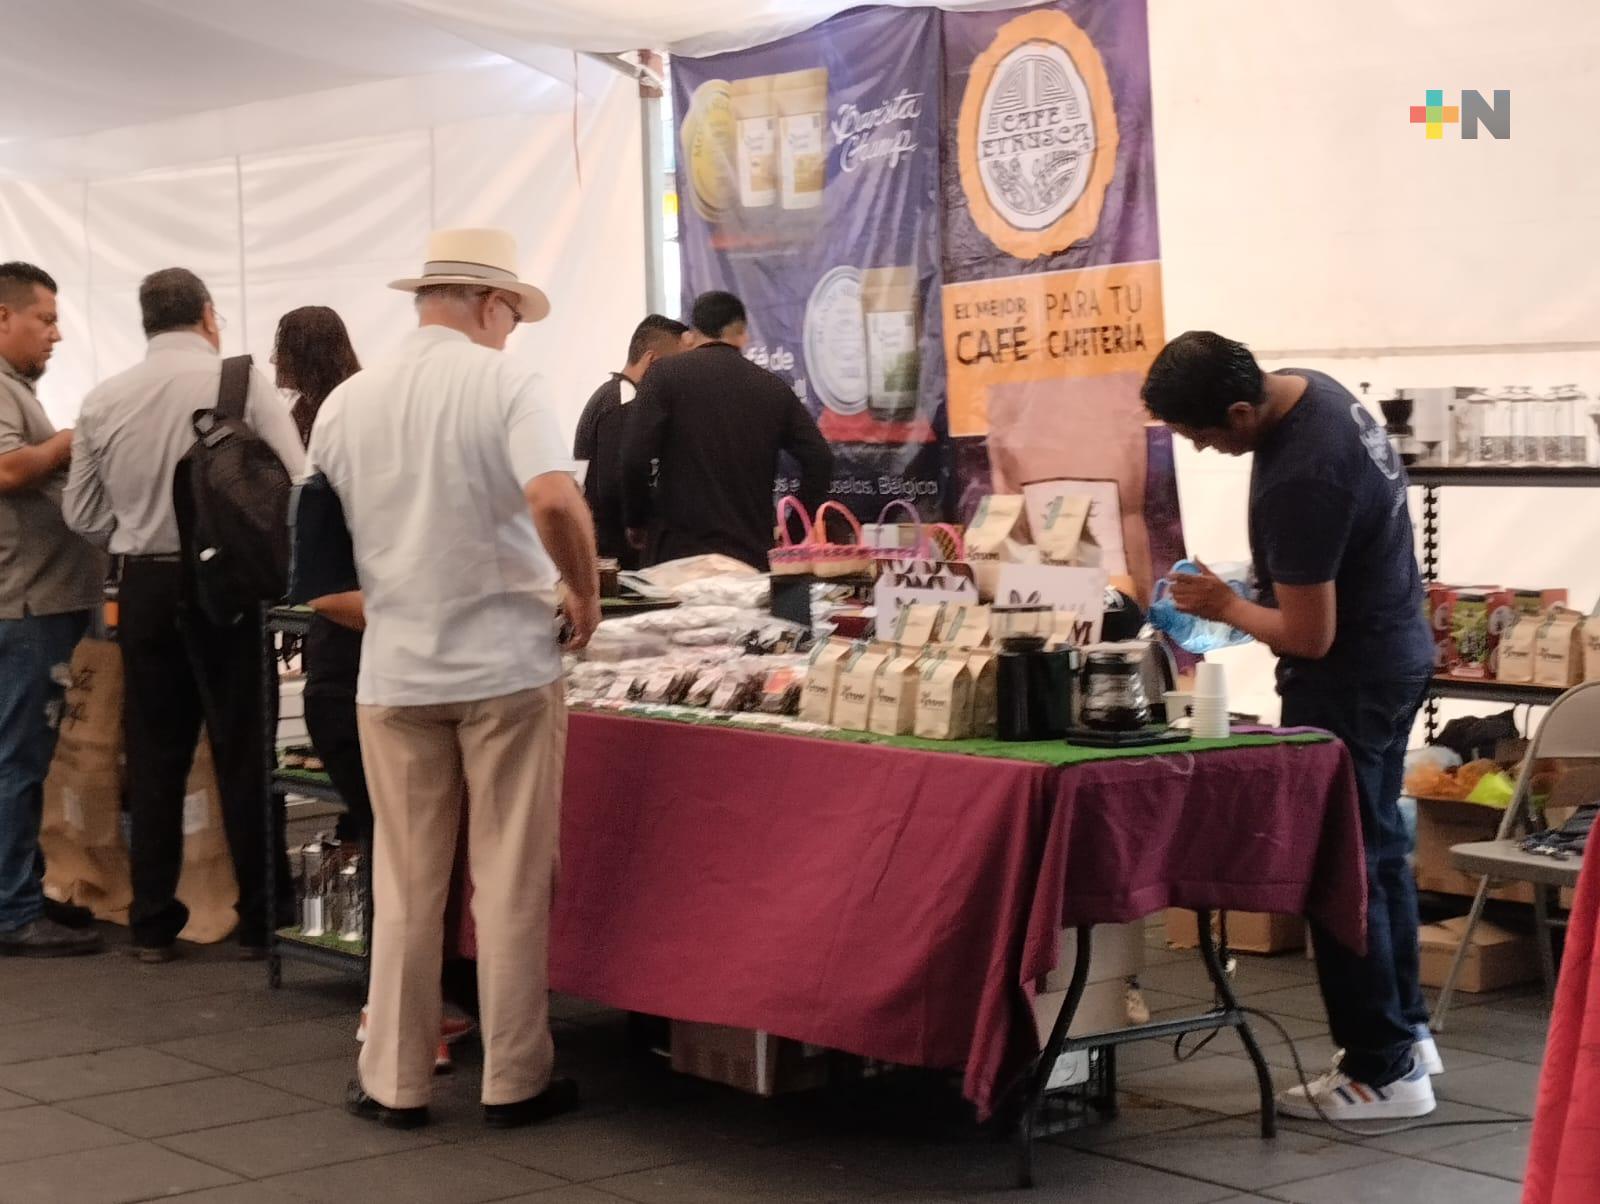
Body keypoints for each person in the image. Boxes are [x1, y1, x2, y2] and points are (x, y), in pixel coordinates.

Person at [307, 227, 598, 1130]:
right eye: (512, 313)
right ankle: (515, 1078)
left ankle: (394, 1078)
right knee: (509, 879)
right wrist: (582, 595)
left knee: (405, 882)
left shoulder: (345, 404)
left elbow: (321, 561)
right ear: (491, 302)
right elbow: (553, 497)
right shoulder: (505, 381)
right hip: (507, 660)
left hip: (394, 669)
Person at [1142, 330, 1438, 1121]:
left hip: (1350, 681)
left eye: (1203, 436)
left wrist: (1225, 607)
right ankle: (1405, 1033)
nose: (1203, 452)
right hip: (1392, 655)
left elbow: (1310, 635)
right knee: (1378, 855)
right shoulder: (1312, 387)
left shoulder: (1299, 480)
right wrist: (1252, 585)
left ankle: (1382, 1069)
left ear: (1241, 409)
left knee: (1343, 869)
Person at [63, 268, 305, 962]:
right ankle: (264, 917)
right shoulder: (240, 382)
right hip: (226, 589)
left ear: (144, 322)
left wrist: (138, 528)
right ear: (207, 315)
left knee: (155, 752)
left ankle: (152, 921)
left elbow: (81, 513)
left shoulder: (104, 399)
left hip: (143, 585)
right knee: (244, 748)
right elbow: (297, 476)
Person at [276, 305, 474, 1070]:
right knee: (407, 857)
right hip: (364, 680)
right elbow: (326, 589)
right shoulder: (346, 442)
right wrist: (423, 616)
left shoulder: (329, 429)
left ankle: (409, 1014)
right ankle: (400, 1019)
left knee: (404, 852)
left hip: (362, 680)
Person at [0, 262, 105, 957]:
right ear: (3, 318)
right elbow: (7, 470)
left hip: (38, 602)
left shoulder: (15, 390)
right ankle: (13, 910)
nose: (57, 334)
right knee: (19, 759)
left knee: (24, 757)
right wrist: (78, 436)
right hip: (28, 605)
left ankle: (24, 888)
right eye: (46, 319)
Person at [622, 290, 833, 569]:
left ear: (692, 333)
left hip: (676, 557)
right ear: (743, 334)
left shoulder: (663, 376)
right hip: (749, 557)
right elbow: (821, 459)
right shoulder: (771, 387)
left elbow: (634, 458)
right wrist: (793, 531)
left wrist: (636, 521)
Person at [573, 314, 687, 569]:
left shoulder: (613, 395)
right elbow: (614, 483)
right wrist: (639, 525)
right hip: (620, 555)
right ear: (652, 360)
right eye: (676, 366)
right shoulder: (623, 402)